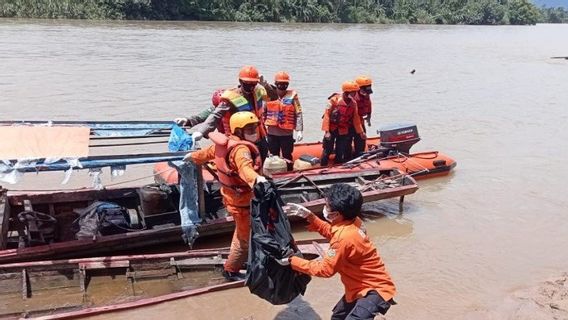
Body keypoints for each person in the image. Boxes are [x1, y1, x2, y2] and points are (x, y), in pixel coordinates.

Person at [283, 184, 396, 320]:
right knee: (338, 317)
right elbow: (332, 231)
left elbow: (325, 270)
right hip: (357, 286)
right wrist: (310, 216)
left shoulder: (343, 238)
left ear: (336, 214)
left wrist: (293, 261)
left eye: (327, 205)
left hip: (375, 290)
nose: (325, 208)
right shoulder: (354, 222)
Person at [184, 111, 268, 281]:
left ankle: (246, 259)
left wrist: (191, 157)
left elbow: (206, 154)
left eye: (254, 127)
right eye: (249, 129)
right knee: (243, 239)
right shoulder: (241, 150)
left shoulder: (224, 143)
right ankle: (231, 270)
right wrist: (257, 179)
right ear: (238, 131)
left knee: (243, 232)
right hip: (243, 202)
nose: (254, 131)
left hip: (232, 198)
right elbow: (245, 169)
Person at [184, 66, 270, 161]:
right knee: (246, 162)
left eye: (253, 83)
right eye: (247, 83)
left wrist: (266, 86)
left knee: (262, 155)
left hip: (258, 135)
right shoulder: (231, 99)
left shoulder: (258, 91)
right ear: (240, 82)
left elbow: (274, 97)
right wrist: (201, 131)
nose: (251, 86)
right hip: (241, 138)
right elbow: (215, 114)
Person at [263, 71, 304, 170]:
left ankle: (289, 172)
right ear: (276, 84)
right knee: (273, 156)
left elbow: (298, 113)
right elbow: (263, 113)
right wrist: (262, 129)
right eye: (280, 84)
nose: (282, 86)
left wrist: (299, 130)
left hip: (286, 134)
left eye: (285, 84)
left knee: (287, 155)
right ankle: (274, 174)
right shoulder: (270, 96)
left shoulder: (293, 96)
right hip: (272, 133)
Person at [320, 81, 365, 166]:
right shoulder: (334, 101)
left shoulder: (353, 103)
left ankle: (338, 167)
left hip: (343, 130)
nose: (355, 94)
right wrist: (327, 132)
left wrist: (361, 132)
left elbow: (356, 119)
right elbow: (327, 116)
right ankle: (323, 166)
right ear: (347, 92)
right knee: (327, 150)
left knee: (340, 151)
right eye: (353, 92)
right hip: (332, 129)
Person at [353, 76, 374, 158]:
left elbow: (369, 105)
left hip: (360, 121)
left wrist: (369, 116)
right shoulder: (353, 97)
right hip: (350, 123)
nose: (366, 93)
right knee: (347, 141)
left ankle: (359, 155)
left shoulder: (366, 94)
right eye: (365, 90)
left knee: (361, 140)